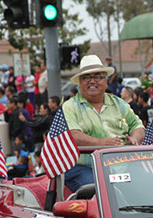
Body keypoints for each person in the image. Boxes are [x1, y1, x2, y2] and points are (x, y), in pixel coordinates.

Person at [62, 55, 145, 191]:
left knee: (150, 185)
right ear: (80, 82)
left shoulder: (120, 104)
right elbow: (72, 135)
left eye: (98, 77)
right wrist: (101, 144)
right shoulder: (70, 107)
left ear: (106, 81)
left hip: (121, 165)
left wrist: (135, 139)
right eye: (87, 77)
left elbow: (138, 126)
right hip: (85, 167)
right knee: (104, 193)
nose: (92, 81)